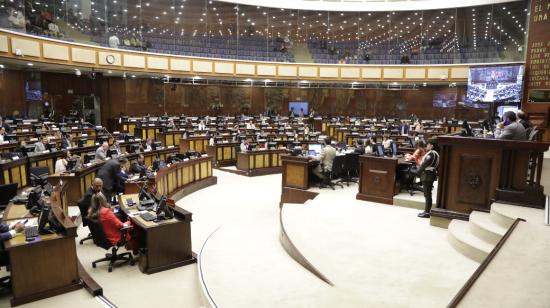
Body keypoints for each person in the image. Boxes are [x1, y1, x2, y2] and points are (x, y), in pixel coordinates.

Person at [416, 139, 440, 218]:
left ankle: (427, 212)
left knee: (427, 194)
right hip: (429, 174)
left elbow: (425, 164)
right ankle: (426, 211)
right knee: (427, 194)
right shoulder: (435, 153)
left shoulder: (432, 154)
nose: (426, 146)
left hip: (427, 175)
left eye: (428, 144)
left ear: (431, 145)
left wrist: (418, 172)